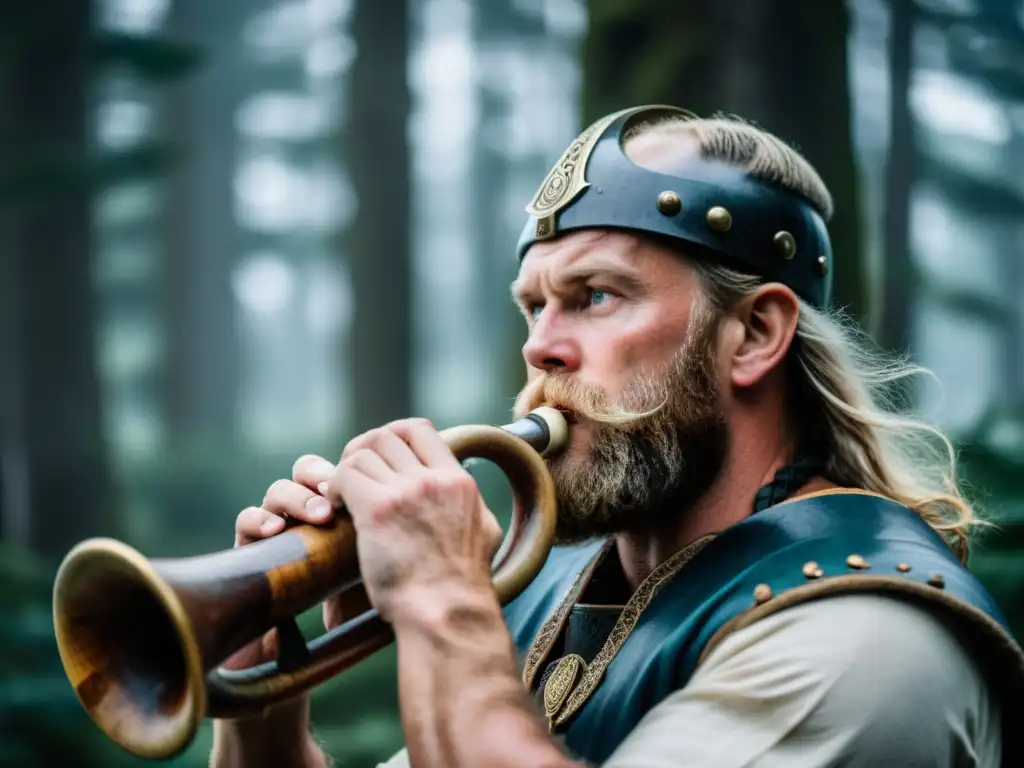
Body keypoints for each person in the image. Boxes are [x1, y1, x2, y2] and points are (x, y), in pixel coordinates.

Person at [209, 105, 1024, 768]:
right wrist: (262, 715)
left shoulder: (864, 633)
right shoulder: (567, 595)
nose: (540, 347)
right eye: (535, 306)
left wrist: (440, 603)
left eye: (596, 295)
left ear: (753, 335)